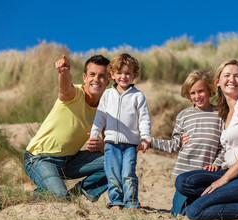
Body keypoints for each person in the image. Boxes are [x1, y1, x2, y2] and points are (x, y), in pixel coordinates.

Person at [175, 59, 238, 220]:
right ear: (218, 82)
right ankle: (219, 200)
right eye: (227, 75)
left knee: (195, 211)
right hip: (235, 174)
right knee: (184, 181)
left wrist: (224, 179)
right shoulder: (225, 111)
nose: (232, 79)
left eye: (237, 76)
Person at [24, 55, 110, 202]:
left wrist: (102, 146)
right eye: (92, 74)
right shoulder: (75, 94)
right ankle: (35, 192)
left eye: (102, 76)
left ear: (108, 81)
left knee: (116, 160)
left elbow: (110, 145)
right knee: (60, 196)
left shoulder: (104, 110)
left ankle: (77, 193)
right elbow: (65, 89)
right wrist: (64, 73)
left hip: (70, 161)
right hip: (40, 158)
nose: (96, 79)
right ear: (84, 77)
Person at [146, 70, 224, 216]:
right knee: (178, 214)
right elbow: (173, 145)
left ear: (209, 89)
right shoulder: (184, 115)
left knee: (198, 212)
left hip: (205, 176)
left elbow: (223, 145)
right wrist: (151, 142)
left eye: (201, 91)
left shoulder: (219, 114)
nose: (197, 96)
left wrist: (216, 163)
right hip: (184, 175)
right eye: (192, 93)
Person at [90, 53, 151, 210]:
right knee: (113, 174)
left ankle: (131, 202)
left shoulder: (138, 96)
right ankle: (116, 201)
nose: (123, 76)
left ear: (134, 75)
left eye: (127, 73)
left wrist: (145, 137)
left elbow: (144, 118)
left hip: (130, 144)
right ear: (112, 75)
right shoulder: (107, 95)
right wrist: (94, 134)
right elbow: (100, 117)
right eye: (119, 73)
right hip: (111, 143)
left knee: (128, 174)